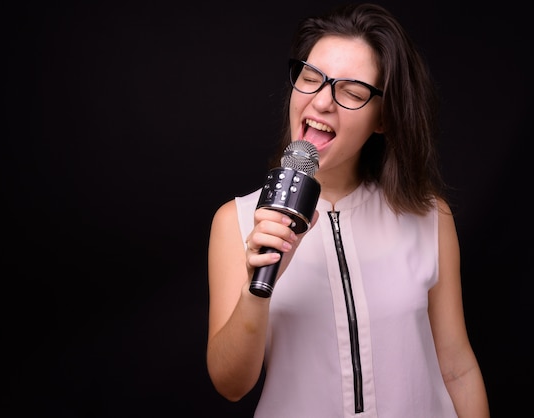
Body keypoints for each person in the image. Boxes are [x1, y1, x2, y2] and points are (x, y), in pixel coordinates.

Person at [206, 2, 490, 417]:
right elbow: (231, 385)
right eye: (310, 79)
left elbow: (458, 369)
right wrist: (259, 284)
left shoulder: (430, 217)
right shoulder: (238, 221)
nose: (322, 102)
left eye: (352, 92)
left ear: (383, 119)